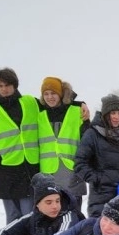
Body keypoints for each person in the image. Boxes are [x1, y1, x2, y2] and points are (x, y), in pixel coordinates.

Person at [0, 67, 40, 223]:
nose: (4, 89)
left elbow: (55, 106)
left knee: (30, 214)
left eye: (7, 85)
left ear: (15, 85)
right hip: (6, 171)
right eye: (0, 86)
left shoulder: (31, 102)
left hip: (30, 168)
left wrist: (80, 103)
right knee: (12, 217)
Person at [74, 94, 119, 217]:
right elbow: (80, 163)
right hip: (101, 197)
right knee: (102, 231)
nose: (116, 117)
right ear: (106, 114)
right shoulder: (93, 134)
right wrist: (98, 179)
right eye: (113, 113)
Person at [0, 173, 84, 235]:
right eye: (48, 202)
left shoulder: (70, 216)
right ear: (37, 204)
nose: (55, 206)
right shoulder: (33, 217)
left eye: (57, 201)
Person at [37, 77, 90, 210]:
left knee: (73, 214)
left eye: (53, 93)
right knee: (52, 215)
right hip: (48, 172)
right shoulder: (39, 113)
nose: (50, 97)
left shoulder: (76, 111)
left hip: (71, 170)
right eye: (46, 94)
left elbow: (87, 141)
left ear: (61, 94)